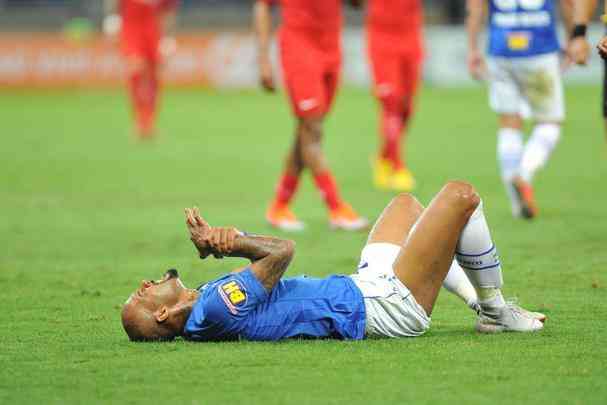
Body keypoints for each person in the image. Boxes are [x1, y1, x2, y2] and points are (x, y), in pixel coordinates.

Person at [120, 181, 546, 342]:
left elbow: (259, 266)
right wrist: (233, 244)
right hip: (385, 306)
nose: (144, 282)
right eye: (141, 294)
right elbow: (282, 252)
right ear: (160, 312)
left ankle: (481, 307)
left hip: (361, 286)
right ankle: (496, 310)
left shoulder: (208, 305)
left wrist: (218, 245)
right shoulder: (213, 310)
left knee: (405, 205)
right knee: (461, 197)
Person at [253, 0, 368, 232]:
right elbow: (263, 6)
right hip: (299, 48)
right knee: (312, 130)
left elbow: (358, 4)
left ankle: (279, 206)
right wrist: (264, 59)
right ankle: (336, 208)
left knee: (307, 131)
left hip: (331, 49)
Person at [466, 0, 573, 219]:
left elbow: (475, 8)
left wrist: (473, 49)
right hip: (539, 50)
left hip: (501, 50)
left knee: (509, 123)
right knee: (549, 123)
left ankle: (517, 204)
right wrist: (574, 39)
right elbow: (569, 3)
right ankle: (524, 173)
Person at [366, 0, 424, 192]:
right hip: (382, 41)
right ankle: (398, 166)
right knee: (391, 104)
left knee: (407, 108)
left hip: (411, 38)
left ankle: (384, 157)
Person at [103, 0, 177, 139]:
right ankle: (140, 122)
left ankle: (149, 122)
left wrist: (168, 38)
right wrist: (111, 18)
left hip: (154, 31)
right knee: (136, 70)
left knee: (153, 78)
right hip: (131, 29)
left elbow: (168, 12)